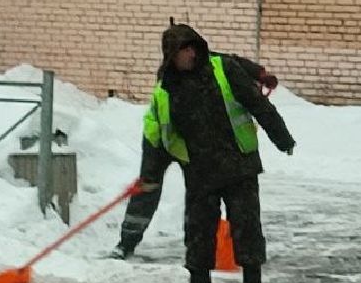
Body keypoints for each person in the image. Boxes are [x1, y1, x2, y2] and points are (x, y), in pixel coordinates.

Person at [146, 23, 296, 283]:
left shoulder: (223, 69)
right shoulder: (167, 85)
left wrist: (282, 137)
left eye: (190, 48)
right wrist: (152, 169)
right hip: (199, 168)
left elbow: (258, 105)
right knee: (198, 229)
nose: (188, 55)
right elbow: (160, 129)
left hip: (238, 163)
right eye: (181, 52)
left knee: (246, 225)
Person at [112, 41, 278, 260]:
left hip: (191, 143)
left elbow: (231, 61)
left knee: (205, 198)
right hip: (160, 138)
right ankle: (127, 242)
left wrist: (260, 73)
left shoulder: (210, 62)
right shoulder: (173, 71)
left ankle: (207, 256)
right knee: (148, 188)